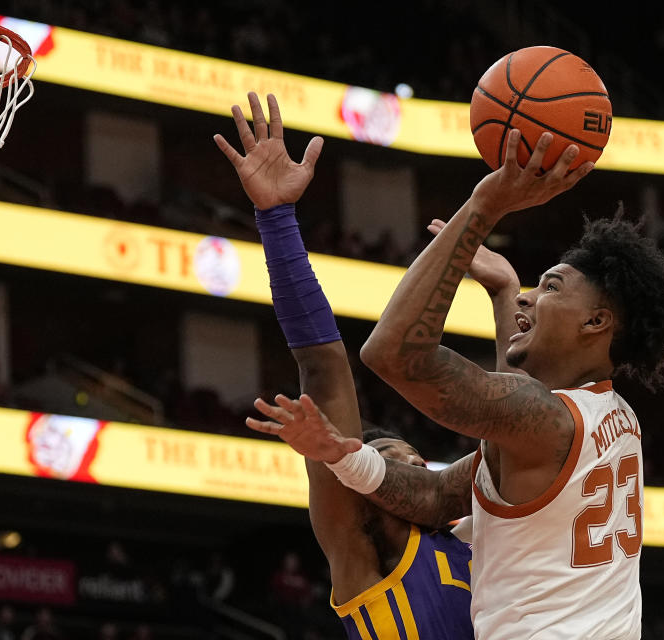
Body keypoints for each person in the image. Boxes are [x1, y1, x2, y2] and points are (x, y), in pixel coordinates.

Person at [251, 127, 664, 638]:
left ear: (595, 323)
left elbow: (396, 355)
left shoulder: (548, 423)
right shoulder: (614, 419)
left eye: (548, 288)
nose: (529, 297)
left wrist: (487, 203)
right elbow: (442, 490)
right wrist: (504, 292)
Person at [215, 92, 474, 640]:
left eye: (404, 457)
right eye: (375, 461)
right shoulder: (365, 542)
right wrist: (277, 219)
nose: (395, 463)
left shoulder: (477, 543)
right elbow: (324, 367)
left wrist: (502, 293)